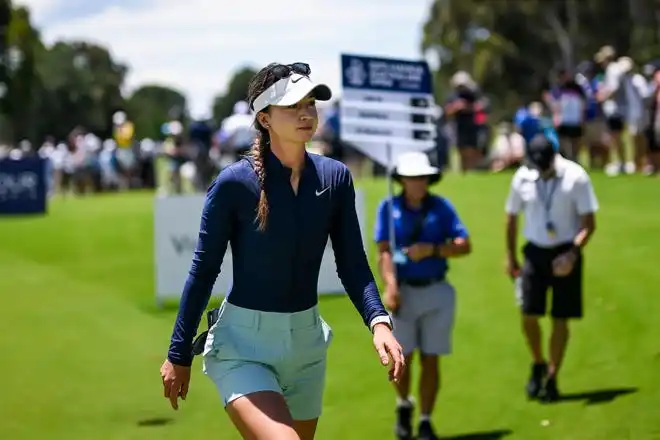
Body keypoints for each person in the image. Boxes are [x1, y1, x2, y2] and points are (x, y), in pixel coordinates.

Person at [160, 62, 404, 440]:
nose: (306, 113)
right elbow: (203, 270)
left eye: (310, 103)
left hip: (307, 346)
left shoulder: (336, 178)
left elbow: (353, 264)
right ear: (264, 118)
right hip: (243, 347)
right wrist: (179, 353)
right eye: (292, 106)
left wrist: (379, 321)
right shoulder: (232, 184)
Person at [374, 152, 471, 440]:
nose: (418, 182)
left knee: (432, 358)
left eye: (422, 177)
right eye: (412, 177)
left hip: (437, 290)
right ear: (402, 179)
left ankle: (426, 419)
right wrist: (390, 285)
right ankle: (404, 404)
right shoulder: (388, 208)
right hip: (402, 292)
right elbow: (383, 252)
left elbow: (464, 244)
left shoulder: (440, 207)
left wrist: (434, 250)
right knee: (402, 358)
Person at [504, 132, 598, 402]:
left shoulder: (575, 177)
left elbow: (589, 224)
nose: (542, 171)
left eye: (545, 165)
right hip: (534, 252)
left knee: (560, 317)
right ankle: (538, 362)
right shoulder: (522, 177)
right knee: (528, 314)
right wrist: (510, 255)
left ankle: (553, 377)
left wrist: (573, 254)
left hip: (566, 251)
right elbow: (510, 217)